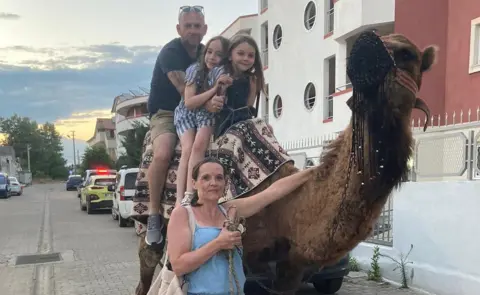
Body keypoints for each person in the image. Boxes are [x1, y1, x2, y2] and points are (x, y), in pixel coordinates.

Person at [166, 157, 314, 294]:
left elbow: (273, 192)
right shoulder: (183, 214)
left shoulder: (230, 210)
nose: (213, 183)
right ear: (194, 183)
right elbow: (179, 266)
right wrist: (218, 243)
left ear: (225, 183)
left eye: (219, 178)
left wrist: (312, 172)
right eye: (206, 178)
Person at [145, 5, 222, 246]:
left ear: (205, 29)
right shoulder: (171, 52)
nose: (192, 30)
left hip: (202, 108)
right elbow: (185, 94)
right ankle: (154, 213)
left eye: (197, 26)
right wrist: (211, 101)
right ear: (179, 28)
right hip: (169, 112)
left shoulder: (207, 53)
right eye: (187, 26)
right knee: (164, 152)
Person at [174, 36, 233, 208]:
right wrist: (214, 90)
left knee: (199, 144)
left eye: (218, 54)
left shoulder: (220, 71)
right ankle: (182, 196)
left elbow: (217, 103)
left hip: (204, 113)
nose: (212, 57)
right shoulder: (195, 70)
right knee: (188, 147)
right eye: (209, 51)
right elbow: (189, 102)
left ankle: (195, 193)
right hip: (187, 113)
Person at [207, 34, 266, 139]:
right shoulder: (224, 75)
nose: (246, 58)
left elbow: (247, 108)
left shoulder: (252, 80)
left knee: (267, 129)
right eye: (240, 54)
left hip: (242, 122)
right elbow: (217, 106)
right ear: (230, 56)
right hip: (224, 122)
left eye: (250, 55)